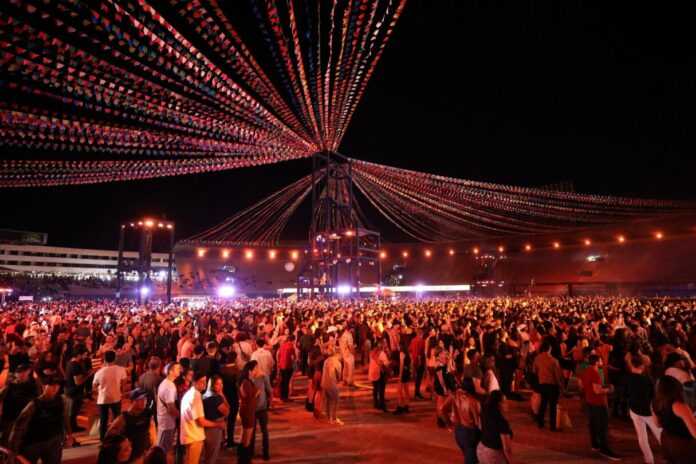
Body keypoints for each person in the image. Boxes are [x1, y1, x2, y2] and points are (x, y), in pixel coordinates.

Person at [8, 376, 75, 464]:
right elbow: (19, 427)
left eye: (57, 385)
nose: (55, 388)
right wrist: (14, 450)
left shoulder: (61, 401)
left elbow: (65, 418)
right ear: (43, 387)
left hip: (53, 440)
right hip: (34, 443)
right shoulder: (34, 404)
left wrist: (69, 434)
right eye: (51, 385)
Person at [580, 354, 621, 461]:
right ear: (596, 362)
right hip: (598, 403)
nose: (602, 362)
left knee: (593, 424)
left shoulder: (585, 371)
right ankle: (605, 449)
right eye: (601, 360)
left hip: (590, 402)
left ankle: (595, 444)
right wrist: (610, 390)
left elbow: (582, 385)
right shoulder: (595, 373)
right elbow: (597, 390)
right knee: (603, 427)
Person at [180, 372, 226, 464]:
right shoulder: (195, 396)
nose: (205, 384)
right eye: (202, 381)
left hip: (190, 434)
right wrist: (218, 424)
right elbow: (200, 421)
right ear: (194, 382)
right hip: (194, 436)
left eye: (205, 381)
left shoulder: (191, 393)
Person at [623, 356, 661, 464]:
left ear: (631, 366)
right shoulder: (647, 380)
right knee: (660, 434)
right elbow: (654, 396)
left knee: (642, 437)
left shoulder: (627, 378)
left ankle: (649, 460)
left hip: (634, 410)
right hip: (648, 412)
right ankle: (669, 456)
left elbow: (624, 394)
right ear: (642, 367)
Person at [652, 375, 696, 463]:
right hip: (682, 444)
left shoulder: (654, 402)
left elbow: (658, 424)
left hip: (666, 439)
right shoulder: (679, 406)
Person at [105, 388, 156, 464]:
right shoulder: (123, 418)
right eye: (139, 399)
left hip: (144, 457)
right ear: (132, 401)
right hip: (130, 460)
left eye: (144, 399)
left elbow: (152, 435)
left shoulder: (147, 415)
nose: (143, 402)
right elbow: (109, 437)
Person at [441, 377, 481, 464]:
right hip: (470, 433)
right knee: (471, 459)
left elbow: (442, 408)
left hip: (458, 431)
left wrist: (448, 424)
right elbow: (477, 422)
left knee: (468, 455)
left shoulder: (455, 395)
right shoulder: (473, 401)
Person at [0, 364, 40, 446]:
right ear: (15, 374)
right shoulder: (10, 387)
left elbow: (40, 398)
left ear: (29, 371)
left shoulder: (35, 383)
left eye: (24, 371)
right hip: (12, 419)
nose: (22, 374)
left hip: (29, 419)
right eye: (19, 372)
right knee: (8, 442)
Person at [93, 350, 128, 440]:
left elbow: (94, 386)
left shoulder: (99, 372)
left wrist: (101, 388)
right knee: (117, 418)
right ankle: (117, 437)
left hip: (102, 398)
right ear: (114, 358)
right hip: (116, 397)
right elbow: (123, 384)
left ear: (104, 359)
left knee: (103, 420)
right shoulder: (121, 369)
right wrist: (123, 394)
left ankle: (103, 438)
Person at [532, 338, 563, 431]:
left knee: (543, 403)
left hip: (542, 383)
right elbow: (558, 375)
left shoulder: (537, 358)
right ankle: (552, 426)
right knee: (553, 406)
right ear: (549, 348)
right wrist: (561, 386)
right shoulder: (553, 360)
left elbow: (534, 371)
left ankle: (540, 422)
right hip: (552, 384)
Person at [477, 390, 513, 464]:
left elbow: (480, 427)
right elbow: (507, 449)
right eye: (504, 402)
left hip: (481, 449)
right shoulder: (502, 422)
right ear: (496, 404)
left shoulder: (484, 412)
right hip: (493, 455)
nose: (507, 404)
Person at [65, 344, 95, 433]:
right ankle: (73, 428)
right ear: (79, 355)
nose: (86, 357)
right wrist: (89, 374)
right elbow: (78, 382)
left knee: (72, 412)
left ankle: (72, 427)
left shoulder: (69, 363)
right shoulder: (76, 366)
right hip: (75, 392)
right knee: (73, 412)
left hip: (71, 391)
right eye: (84, 355)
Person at [202, 375, 229, 464]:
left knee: (209, 454)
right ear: (212, 386)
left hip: (207, 426)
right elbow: (227, 412)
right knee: (211, 456)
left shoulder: (205, 395)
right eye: (217, 384)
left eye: (221, 383)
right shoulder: (215, 398)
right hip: (214, 428)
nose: (221, 386)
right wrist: (223, 396)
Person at [156, 361, 180, 455]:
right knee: (162, 450)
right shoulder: (169, 387)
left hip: (164, 420)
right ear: (170, 371)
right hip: (167, 422)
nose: (179, 371)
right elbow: (171, 409)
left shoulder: (166, 383)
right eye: (177, 369)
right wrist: (182, 417)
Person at [238, 360, 260, 463]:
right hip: (248, 411)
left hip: (247, 410)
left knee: (244, 435)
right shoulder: (246, 382)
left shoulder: (246, 381)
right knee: (247, 438)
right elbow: (249, 398)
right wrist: (257, 393)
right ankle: (245, 460)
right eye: (255, 369)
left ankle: (242, 458)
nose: (257, 371)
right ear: (250, 371)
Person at [251, 362, 273, 461]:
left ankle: (261, 452)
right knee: (261, 431)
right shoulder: (260, 377)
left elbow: (269, 390)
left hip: (259, 408)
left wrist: (271, 402)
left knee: (259, 431)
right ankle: (263, 453)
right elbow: (269, 390)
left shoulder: (261, 377)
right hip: (259, 407)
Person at [219, 351, 241, 449]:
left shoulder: (221, 369)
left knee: (222, 418)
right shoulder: (236, 371)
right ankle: (230, 440)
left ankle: (221, 439)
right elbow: (238, 386)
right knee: (231, 420)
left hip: (222, 396)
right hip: (233, 397)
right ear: (235, 359)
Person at [321, 347, 344, 425]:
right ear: (339, 354)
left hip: (323, 383)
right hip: (331, 384)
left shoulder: (326, 360)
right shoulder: (337, 363)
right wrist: (337, 382)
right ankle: (334, 418)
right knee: (336, 400)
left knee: (327, 401)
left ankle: (328, 418)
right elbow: (339, 377)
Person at [138, 357, 163, 423]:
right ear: (159, 366)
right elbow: (156, 397)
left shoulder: (141, 376)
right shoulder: (158, 379)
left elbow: (139, 393)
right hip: (154, 409)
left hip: (143, 406)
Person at [368, 339, 389, 412]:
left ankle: (376, 403)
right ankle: (382, 406)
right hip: (379, 373)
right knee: (381, 390)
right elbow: (386, 364)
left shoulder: (372, 351)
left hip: (372, 372)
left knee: (375, 388)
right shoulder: (381, 353)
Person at [393, 338, 412, 415]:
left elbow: (401, 364)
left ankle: (400, 406)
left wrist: (400, 375)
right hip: (407, 372)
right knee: (406, 390)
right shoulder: (407, 353)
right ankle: (407, 405)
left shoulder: (401, 353)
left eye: (398, 345)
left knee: (399, 391)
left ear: (400, 346)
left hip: (403, 372)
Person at [277, 334, 296, 402]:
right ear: (293, 340)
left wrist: (278, 363)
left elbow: (278, 354)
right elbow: (293, 357)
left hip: (281, 365)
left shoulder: (282, 345)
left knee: (282, 382)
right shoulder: (291, 347)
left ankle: (282, 396)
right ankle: (285, 397)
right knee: (286, 382)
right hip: (288, 365)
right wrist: (294, 361)